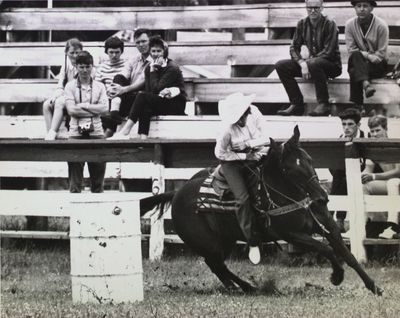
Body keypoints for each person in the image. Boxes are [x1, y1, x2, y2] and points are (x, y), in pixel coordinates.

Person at [215, 92, 269, 265]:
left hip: (253, 154)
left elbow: (266, 137)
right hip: (230, 162)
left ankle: (266, 230)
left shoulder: (254, 114)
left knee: (260, 194)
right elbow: (220, 153)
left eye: (244, 114)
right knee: (243, 198)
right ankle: (251, 241)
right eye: (239, 117)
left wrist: (248, 146)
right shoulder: (226, 130)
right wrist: (245, 157)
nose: (243, 119)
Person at [108, 36, 186, 140]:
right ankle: (143, 139)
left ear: (165, 52)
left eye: (159, 51)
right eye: (153, 51)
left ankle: (125, 131)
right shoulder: (149, 66)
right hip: (160, 101)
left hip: (175, 104)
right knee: (144, 103)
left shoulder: (171, 67)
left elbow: (155, 89)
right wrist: (152, 69)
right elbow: (150, 90)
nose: (156, 54)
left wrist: (153, 71)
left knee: (142, 96)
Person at [275, 0, 342, 116]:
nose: (312, 10)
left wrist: (309, 63)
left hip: (332, 65)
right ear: (306, 7)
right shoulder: (302, 23)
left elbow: (329, 52)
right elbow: (293, 48)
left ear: (322, 8)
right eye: (309, 8)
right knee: (281, 65)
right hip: (312, 64)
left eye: (316, 7)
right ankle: (297, 104)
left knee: (314, 63)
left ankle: (324, 104)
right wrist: (302, 63)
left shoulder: (330, 23)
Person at [64, 51, 109, 193]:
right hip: (75, 134)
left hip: (96, 132)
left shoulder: (100, 86)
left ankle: (96, 213)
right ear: (76, 67)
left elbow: (105, 109)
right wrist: (94, 110)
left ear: (92, 67)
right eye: (81, 67)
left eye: (87, 67)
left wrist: (85, 106)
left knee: (98, 180)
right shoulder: (70, 86)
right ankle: (75, 213)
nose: (84, 70)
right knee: (75, 181)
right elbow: (71, 111)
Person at [101, 29, 151, 137]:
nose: (141, 45)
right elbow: (123, 76)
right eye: (138, 42)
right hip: (128, 95)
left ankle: (109, 130)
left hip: (143, 96)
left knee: (124, 99)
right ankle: (115, 107)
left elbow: (143, 81)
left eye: (144, 41)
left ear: (150, 41)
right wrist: (117, 90)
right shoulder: (134, 59)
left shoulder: (154, 59)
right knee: (118, 77)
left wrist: (123, 90)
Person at [345, 0, 389, 110]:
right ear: (354, 8)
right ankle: (366, 84)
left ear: (372, 8)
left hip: (378, 65)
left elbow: (380, 55)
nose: (361, 9)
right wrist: (369, 55)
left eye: (365, 6)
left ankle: (358, 105)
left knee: (354, 71)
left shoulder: (381, 25)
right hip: (358, 61)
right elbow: (351, 50)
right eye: (358, 6)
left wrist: (366, 56)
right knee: (355, 56)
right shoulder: (350, 25)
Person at [362, 115, 400, 238]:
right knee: (364, 185)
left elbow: (398, 172)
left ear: (386, 129)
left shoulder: (395, 145)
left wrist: (374, 176)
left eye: (377, 130)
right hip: (389, 185)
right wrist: (362, 176)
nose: (374, 134)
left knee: (393, 182)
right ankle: (365, 225)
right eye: (372, 131)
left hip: (396, 182)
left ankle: (392, 227)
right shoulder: (373, 149)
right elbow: (368, 170)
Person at [330, 108, 365, 232]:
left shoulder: (366, 137)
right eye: (344, 124)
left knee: (342, 176)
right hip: (343, 175)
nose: (346, 128)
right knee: (341, 175)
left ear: (358, 125)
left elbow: (368, 163)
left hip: (363, 172)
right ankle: (339, 219)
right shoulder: (340, 138)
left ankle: (332, 216)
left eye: (350, 124)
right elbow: (332, 163)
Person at [43, 38, 83, 140]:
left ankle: (52, 133)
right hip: (67, 95)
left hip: (80, 96)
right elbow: (60, 83)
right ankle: (51, 134)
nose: (74, 56)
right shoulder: (66, 65)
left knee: (60, 102)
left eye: (77, 52)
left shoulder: (84, 65)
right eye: (71, 53)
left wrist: (64, 95)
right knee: (47, 104)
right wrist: (57, 94)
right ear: (66, 52)